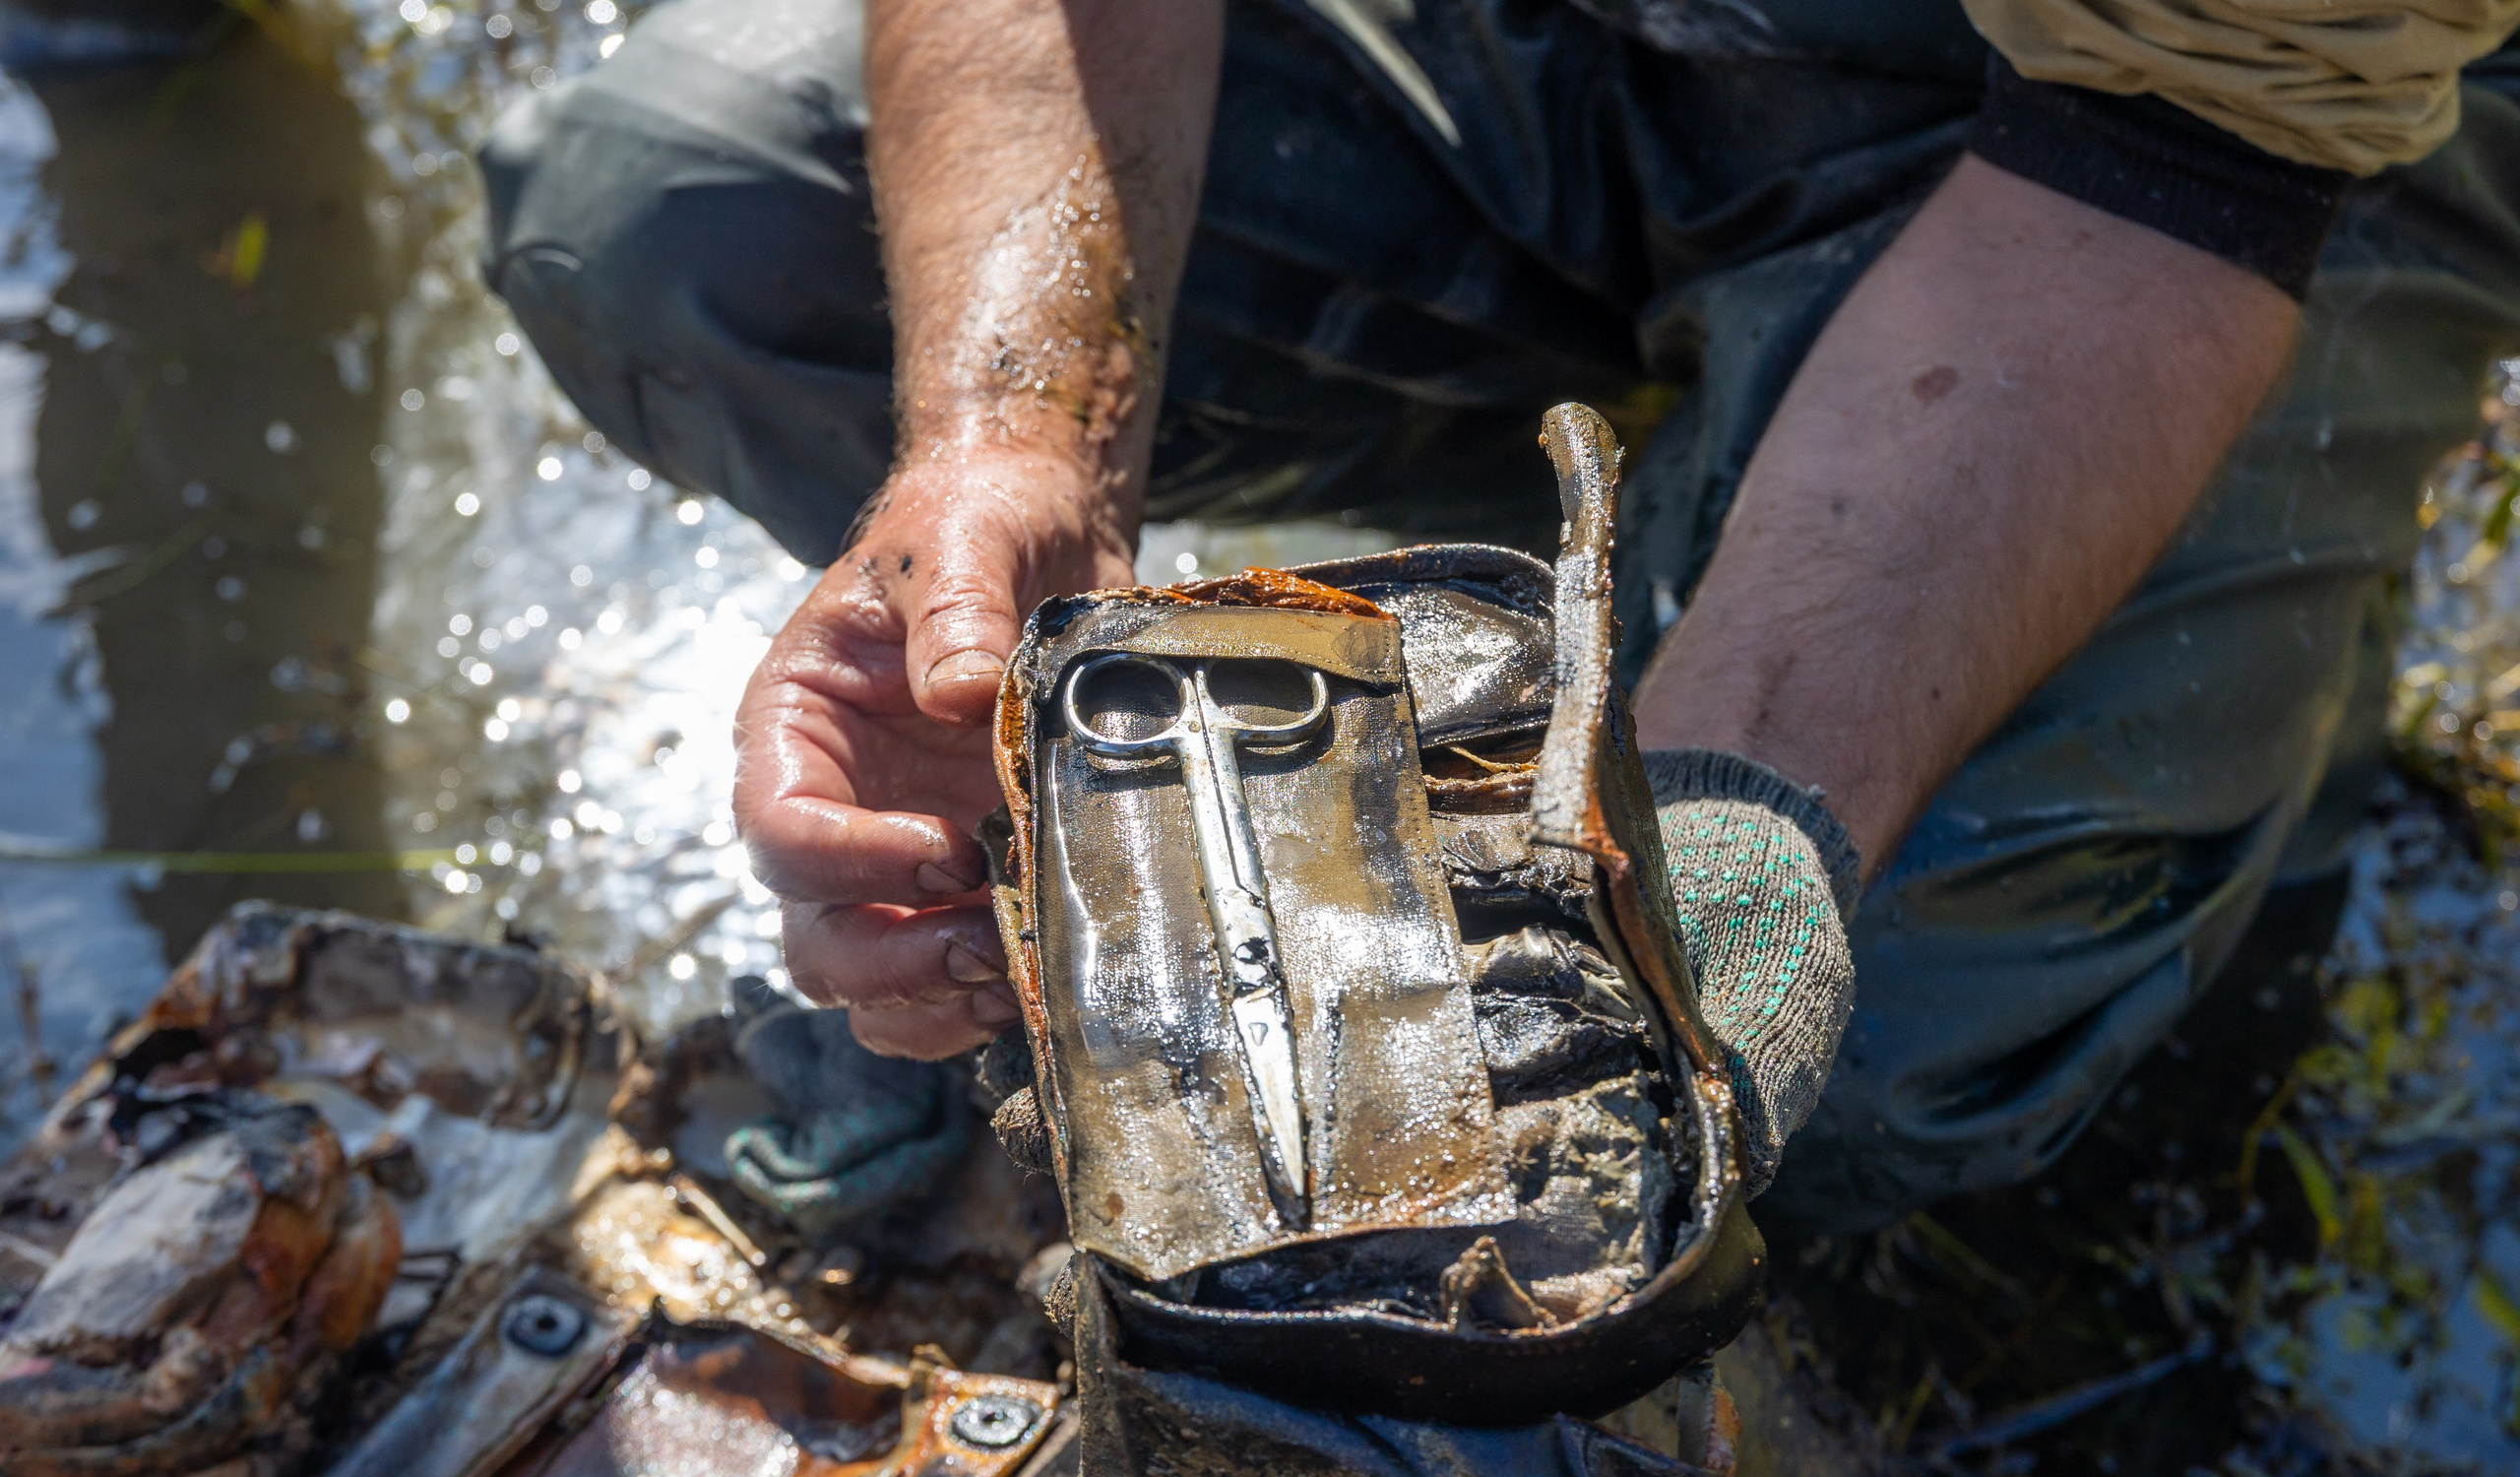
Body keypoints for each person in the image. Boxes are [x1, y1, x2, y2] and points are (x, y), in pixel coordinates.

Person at [481, 0, 2520, 1235]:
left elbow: (2174, 151)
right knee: (691, 221)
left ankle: (2242, 654)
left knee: (1876, 1019)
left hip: (2157, 147)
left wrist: (1732, 811)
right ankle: (1583, 529)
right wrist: (1014, 436)